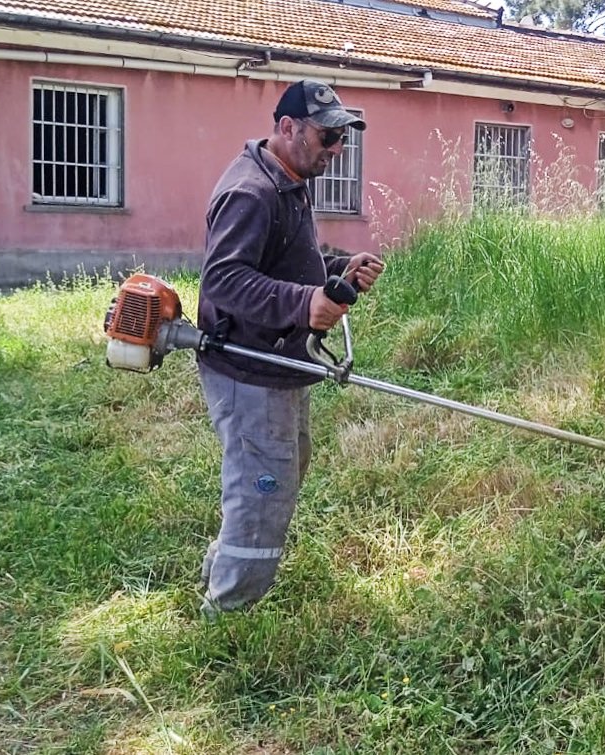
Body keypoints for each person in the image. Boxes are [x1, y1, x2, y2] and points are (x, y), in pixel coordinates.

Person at [196, 79, 384, 614]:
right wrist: (305, 305)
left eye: (342, 138)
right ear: (287, 128)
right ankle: (228, 616)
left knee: (283, 465)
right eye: (328, 137)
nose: (337, 149)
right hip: (248, 370)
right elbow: (224, 280)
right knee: (264, 485)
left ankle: (220, 571)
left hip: (279, 362)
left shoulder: (290, 180)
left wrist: (334, 270)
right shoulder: (251, 193)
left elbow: (286, 259)